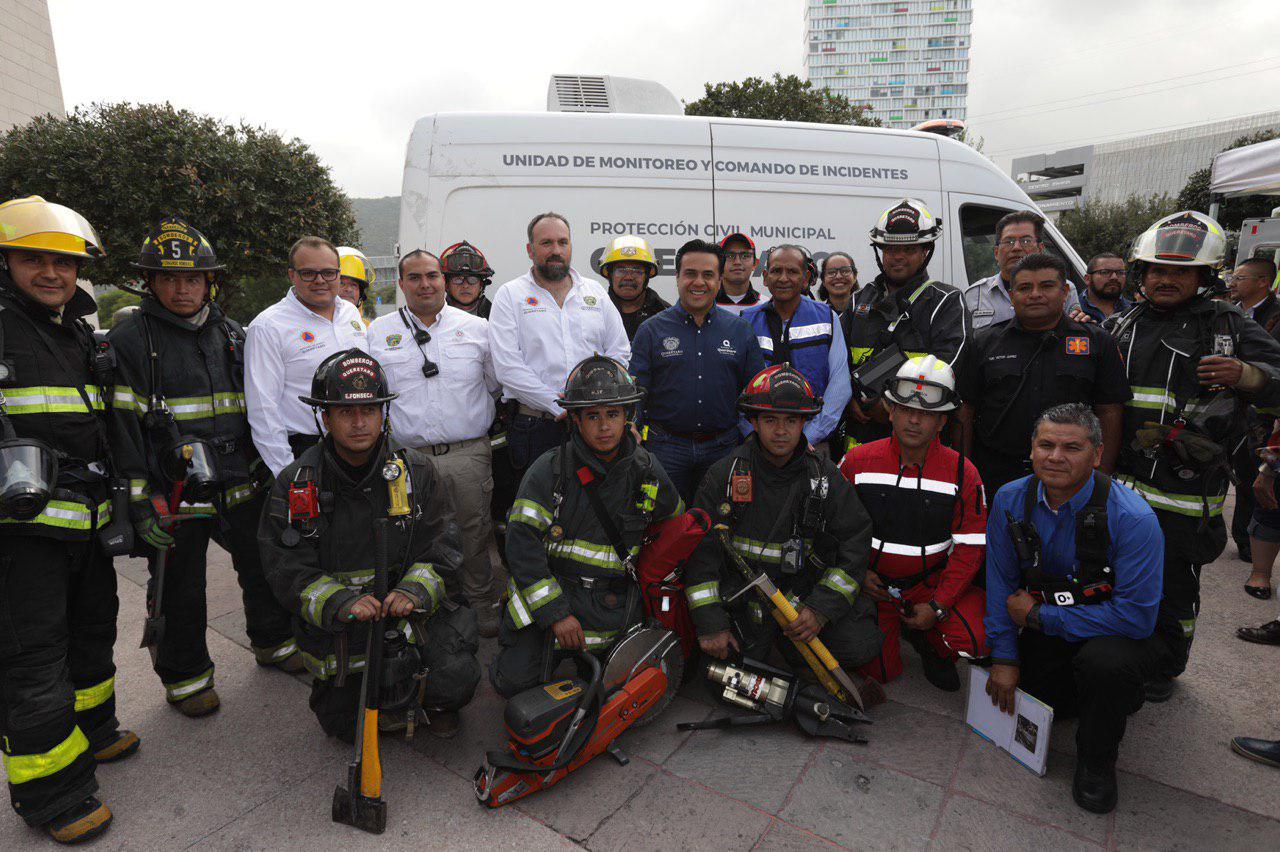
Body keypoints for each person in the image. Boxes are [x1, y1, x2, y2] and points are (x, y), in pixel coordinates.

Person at [107, 218, 300, 719]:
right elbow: (121, 427)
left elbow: (260, 408)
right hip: (175, 489)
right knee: (181, 584)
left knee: (262, 567)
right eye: (169, 278)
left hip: (240, 480)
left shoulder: (233, 333)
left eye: (192, 278)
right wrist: (138, 499)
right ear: (149, 282)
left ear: (208, 281)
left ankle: (274, 644)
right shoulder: (131, 339)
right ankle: (187, 678)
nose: (182, 288)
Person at [0, 196, 137, 843]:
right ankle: (52, 795)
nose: (52, 272)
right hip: (21, 537)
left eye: (64, 261)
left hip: (85, 523)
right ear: (7, 261)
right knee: (33, 661)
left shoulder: (72, 328)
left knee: (92, 634)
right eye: (35, 259)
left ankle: (95, 732)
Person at [258, 349, 480, 739]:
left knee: (455, 678)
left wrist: (414, 589)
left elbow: (445, 546)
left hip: (411, 619)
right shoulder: (298, 483)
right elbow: (284, 567)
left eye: (370, 411)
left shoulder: (416, 470)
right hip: (343, 629)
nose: (359, 423)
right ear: (324, 418)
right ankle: (377, 699)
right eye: (345, 412)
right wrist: (339, 602)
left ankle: (433, 698)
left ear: (384, 414)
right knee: (344, 727)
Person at [1108, 211, 1280, 702]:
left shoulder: (1228, 326)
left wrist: (1246, 375)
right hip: (1122, 480)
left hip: (1186, 489)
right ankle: (1120, 649)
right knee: (1119, 571)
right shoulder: (1123, 324)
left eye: (1180, 272)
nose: (1166, 280)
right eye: (1157, 270)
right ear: (1142, 274)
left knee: (1174, 584)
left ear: (1204, 276)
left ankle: (1165, 667)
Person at [985, 404, 1164, 814]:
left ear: (1097, 455)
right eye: (1045, 445)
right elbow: (1000, 582)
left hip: (1113, 633)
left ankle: (1097, 763)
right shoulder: (1011, 498)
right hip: (1048, 624)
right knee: (1028, 687)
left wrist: (1039, 617)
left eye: (1072, 447)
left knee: (1106, 668)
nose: (1055, 457)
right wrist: (1004, 657)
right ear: (1031, 449)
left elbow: (1136, 618)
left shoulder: (1133, 518)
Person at [683, 365, 884, 699]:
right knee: (722, 681)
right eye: (771, 420)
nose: (780, 431)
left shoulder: (825, 479)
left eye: (791, 421)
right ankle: (787, 665)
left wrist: (820, 610)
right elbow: (700, 556)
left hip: (800, 604)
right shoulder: (725, 475)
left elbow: (855, 541)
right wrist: (712, 624)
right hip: (743, 608)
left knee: (861, 645)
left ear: (804, 423)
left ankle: (788, 659)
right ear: (755, 421)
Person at [490, 355, 682, 697]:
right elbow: (521, 546)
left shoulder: (647, 471)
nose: (604, 426)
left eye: (613, 414)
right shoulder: (549, 470)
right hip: (554, 592)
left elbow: (675, 527)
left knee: (621, 690)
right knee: (512, 683)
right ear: (575, 419)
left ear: (628, 417)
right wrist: (556, 615)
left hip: (613, 603)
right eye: (592, 416)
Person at [366, 249, 506, 638]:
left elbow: (494, 385)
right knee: (412, 535)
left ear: (443, 280)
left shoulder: (477, 328)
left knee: (474, 533)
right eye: (415, 277)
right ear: (401, 283)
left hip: (467, 454)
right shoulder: (377, 333)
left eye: (431, 276)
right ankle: (430, 605)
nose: (425, 284)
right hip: (405, 458)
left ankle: (481, 604)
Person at [840, 356, 987, 692]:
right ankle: (901, 630)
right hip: (873, 585)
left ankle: (933, 643)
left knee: (976, 640)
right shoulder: (856, 461)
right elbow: (832, 528)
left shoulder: (964, 473)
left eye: (927, 414)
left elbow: (970, 549)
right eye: (906, 409)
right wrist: (858, 575)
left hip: (930, 586)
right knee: (880, 673)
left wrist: (938, 606)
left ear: (943, 422)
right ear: (890, 411)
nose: (914, 420)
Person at [955, 253, 1131, 495]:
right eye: (1025, 287)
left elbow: (1110, 411)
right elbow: (965, 409)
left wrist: (1101, 478)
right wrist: (965, 471)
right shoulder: (984, 343)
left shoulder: (1097, 342)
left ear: (1066, 293)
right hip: (996, 476)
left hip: (1072, 476)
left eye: (1047, 286)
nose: (1035, 294)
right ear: (1012, 295)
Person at [487, 212, 630, 485]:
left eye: (563, 242)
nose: (556, 251)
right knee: (542, 512)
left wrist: (596, 399)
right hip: (537, 427)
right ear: (530, 250)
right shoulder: (510, 295)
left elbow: (619, 350)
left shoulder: (595, 292)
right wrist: (559, 406)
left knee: (598, 507)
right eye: (546, 243)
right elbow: (507, 367)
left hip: (594, 422)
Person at [630, 238, 765, 501]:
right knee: (667, 525)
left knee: (719, 525)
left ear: (719, 279)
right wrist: (631, 425)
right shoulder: (651, 330)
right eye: (690, 273)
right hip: (666, 448)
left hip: (724, 449)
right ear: (678, 277)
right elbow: (637, 390)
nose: (699, 282)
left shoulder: (740, 330)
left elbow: (754, 393)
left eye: (708, 275)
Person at [842, 198, 970, 448]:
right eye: (890, 249)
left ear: (926, 251)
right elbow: (836, 363)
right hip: (860, 437)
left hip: (917, 441)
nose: (898, 257)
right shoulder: (858, 300)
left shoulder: (947, 302)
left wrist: (890, 406)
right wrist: (847, 398)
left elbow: (947, 369)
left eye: (909, 249)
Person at [244, 236, 367, 476]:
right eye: (309, 273)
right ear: (292, 275)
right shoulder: (268, 326)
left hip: (360, 448)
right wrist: (287, 473)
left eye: (328, 273)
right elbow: (263, 409)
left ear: (339, 274)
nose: (320, 280)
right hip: (307, 452)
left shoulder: (350, 313)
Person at [742, 245, 852, 449]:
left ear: (805, 277)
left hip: (812, 443)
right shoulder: (747, 321)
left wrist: (809, 436)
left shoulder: (827, 318)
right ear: (765, 277)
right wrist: (753, 434)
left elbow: (840, 385)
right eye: (776, 271)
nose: (783, 278)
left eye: (792, 271)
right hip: (757, 443)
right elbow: (736, 385)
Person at [1227, 257, 1280, 568]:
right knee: (1234, 470)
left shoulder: (1274, 317)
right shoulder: (1228, 313)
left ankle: (1248, 542)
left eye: (1241, 278)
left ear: (1263, 282)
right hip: (1232, 406)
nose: (1233, 283)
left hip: (1263, 412)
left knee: (1253, 473)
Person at [962, 210, 1081, 330]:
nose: (1016, 248)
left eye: (1026, 241)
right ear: (996, 252)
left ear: (1040, 249)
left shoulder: (1064, 289)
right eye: (1009, 241)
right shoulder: (976, 294)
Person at [601, 235, 669, 340]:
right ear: (609, 274)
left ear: (646, 276)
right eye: (621, 270)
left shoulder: (665, 314)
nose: (628, 277)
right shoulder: (595, 312)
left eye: (637, 271)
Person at [715, 232, 768, 315]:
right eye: (730, 256)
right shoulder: (706, 304)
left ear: (755, 264)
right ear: (719, 263)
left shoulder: (766, 306)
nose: (737, 262)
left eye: (745, 256)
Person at [441, 240, 495, 319]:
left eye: (472, 280)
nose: (465, 286)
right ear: (446, 285)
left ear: (481, 285)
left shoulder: (497, 318)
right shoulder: (432, 317)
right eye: (458, 279)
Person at [1078, 253, 1132, 323]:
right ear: (1087, 279)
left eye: (1120, 272)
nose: (1114, 277)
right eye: (1105, 272)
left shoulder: (1134, 313)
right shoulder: (1072, 311)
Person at [335, 246, 375, 324]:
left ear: (361, 295)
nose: (348, 289)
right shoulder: (312, 325)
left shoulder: (368, 329)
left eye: (353, 285)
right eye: (341, 283)